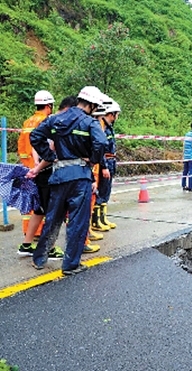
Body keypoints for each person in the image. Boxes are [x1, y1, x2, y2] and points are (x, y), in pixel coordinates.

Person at [29, 86, 108, 275]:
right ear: (92, 105)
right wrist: (94, 160)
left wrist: (49, 155)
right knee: (77, 222)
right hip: (80, 176)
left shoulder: (56, 119)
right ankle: (70, 265)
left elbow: (35, 136)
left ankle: (39, 259)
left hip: (58, 176)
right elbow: (102, 143)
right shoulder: (90, 123)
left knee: (53, 219)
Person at [16, 90, 63, 259]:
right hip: (42, 169)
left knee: (37, 208)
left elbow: (23, 147)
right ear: (49, 106)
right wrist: (39, 166)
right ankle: (48, 248)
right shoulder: (46, 121)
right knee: (49, 208)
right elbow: (44, 146)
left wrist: (29, 166)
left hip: (29, 169)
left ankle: (27, 244)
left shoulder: (28, 121)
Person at [95, 98, 120, 229]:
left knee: (106, 191)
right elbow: (101, 149)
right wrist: (104, 166)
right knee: (101, 190)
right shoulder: (101, 127)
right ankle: (96, 220)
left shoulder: (108, 128)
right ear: (111, 114)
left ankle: (103, 218)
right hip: (105, 162)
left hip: (110, 161)